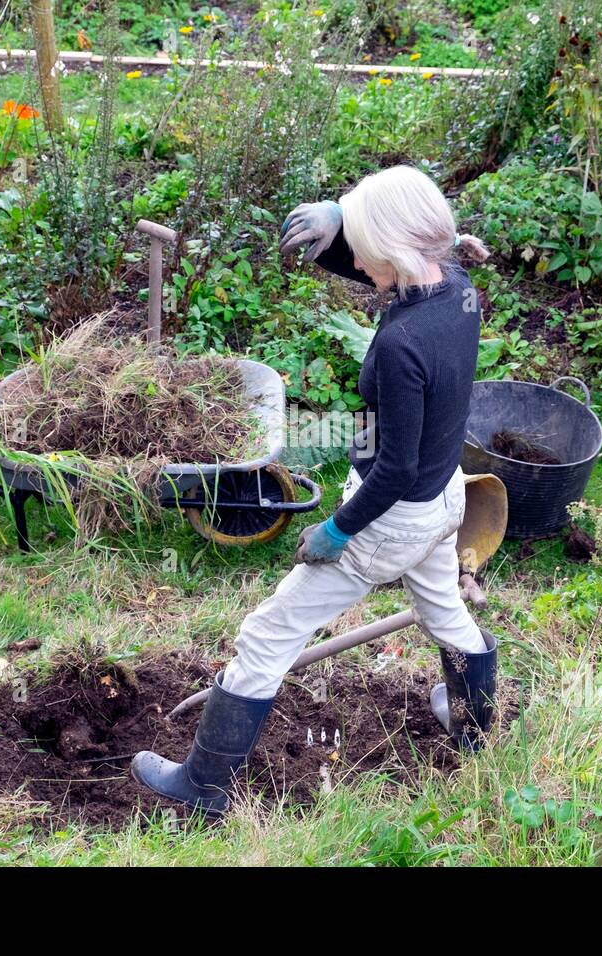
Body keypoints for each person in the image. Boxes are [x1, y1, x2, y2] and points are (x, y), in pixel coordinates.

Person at [131, 165, 497, 813]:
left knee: (270, 632)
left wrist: (339, 529)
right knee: (444, 611)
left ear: (391, 247)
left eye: (357, 245)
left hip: (393, 516)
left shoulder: (401, 347)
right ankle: (472, 732)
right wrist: (338, 224)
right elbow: (394, 265)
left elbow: (393, 471)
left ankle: (202, 788)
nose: (351, 260)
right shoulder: (458, 291)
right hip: (448, 501)